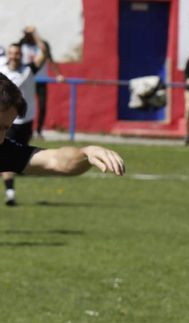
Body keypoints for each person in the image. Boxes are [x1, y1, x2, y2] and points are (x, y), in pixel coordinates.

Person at [0, 73, 125, 177]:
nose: (1, 138)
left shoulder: (4, 150)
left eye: (5, 128)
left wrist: (87, 153)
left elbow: (57, 161)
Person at [1, 43, 40, 206]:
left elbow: (44, 53)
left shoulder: (28, 70)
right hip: (5, 122)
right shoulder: (1, 68)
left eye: (17, 53)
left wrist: (35, 35)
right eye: (11, 53)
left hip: (24, 120)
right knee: (6, 158)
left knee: (17, 157)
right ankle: (10, 192)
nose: (14, 56)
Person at [18, 27, 60, 140]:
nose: (28, 35)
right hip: (27, 79)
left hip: (41, 79)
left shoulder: (42, 44)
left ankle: (39, 130)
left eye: (30, 33)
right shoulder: (22, 43)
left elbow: (48, 56)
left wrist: (35, 34)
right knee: (24, 105)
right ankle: (25, 129)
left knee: (42, 106)